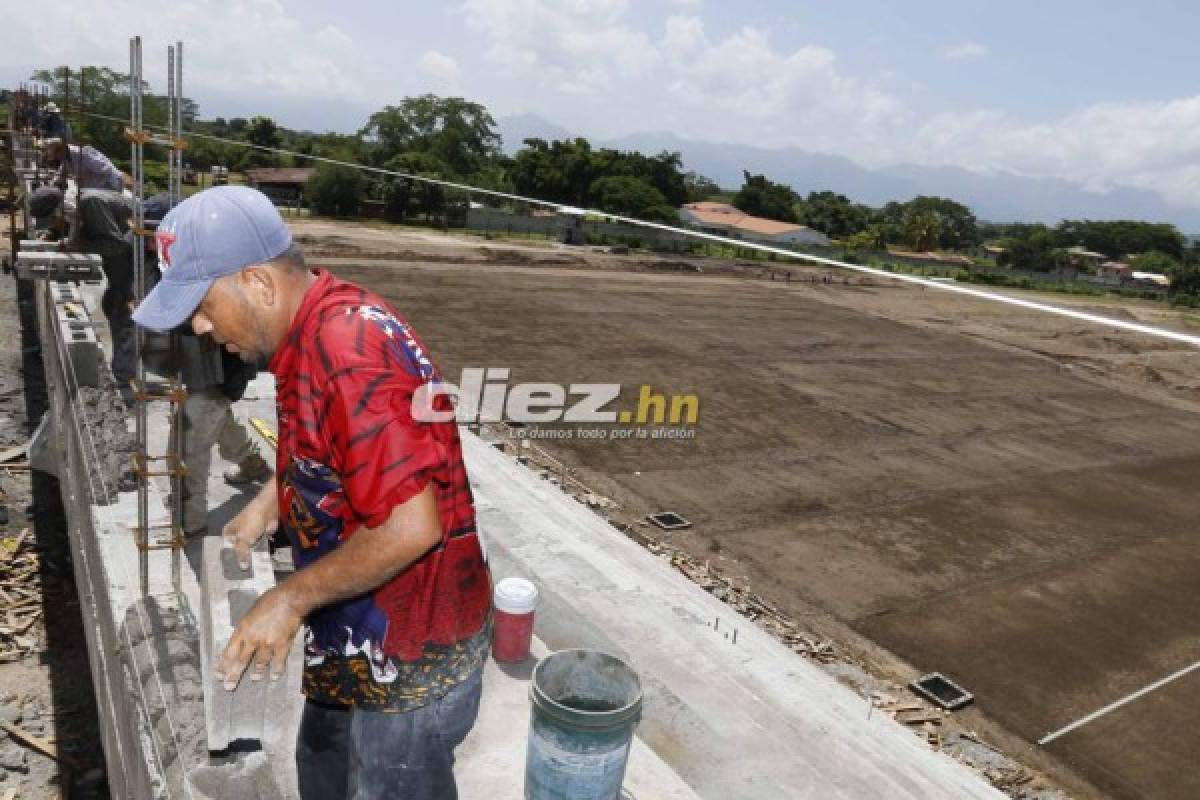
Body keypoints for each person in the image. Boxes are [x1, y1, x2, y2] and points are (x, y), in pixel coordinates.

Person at [132, 186, 492, 799]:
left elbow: (412, 526)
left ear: (259, 283)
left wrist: (287, 601)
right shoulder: (312, 329)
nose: (199, 325)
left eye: (203, 303)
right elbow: (337, 449)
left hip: (411, 662)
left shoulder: (349, 350)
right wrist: (274, 499)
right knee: (324, 771)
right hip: (356, 636)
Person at [28, 186, 138, 387]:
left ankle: (125, 377)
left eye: (54, 220)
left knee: (123, 311)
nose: (55, 224)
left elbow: (116, 245)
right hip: (121, 263)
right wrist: (59, 238)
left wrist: (78, 246)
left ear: (61, 209)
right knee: (112, 305)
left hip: (134, 258)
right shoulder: (78, 205)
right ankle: (124, 369)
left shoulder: (90, 203)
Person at [41, 138, 127, 192]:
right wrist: (51, 185)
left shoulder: (82, 154)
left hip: (109, 186)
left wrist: (85, 176)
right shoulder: (66, 158)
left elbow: (106, 169)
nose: (57, 158)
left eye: (56, 155)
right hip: (95, 189)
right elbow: (61, 173)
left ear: (61, 150)